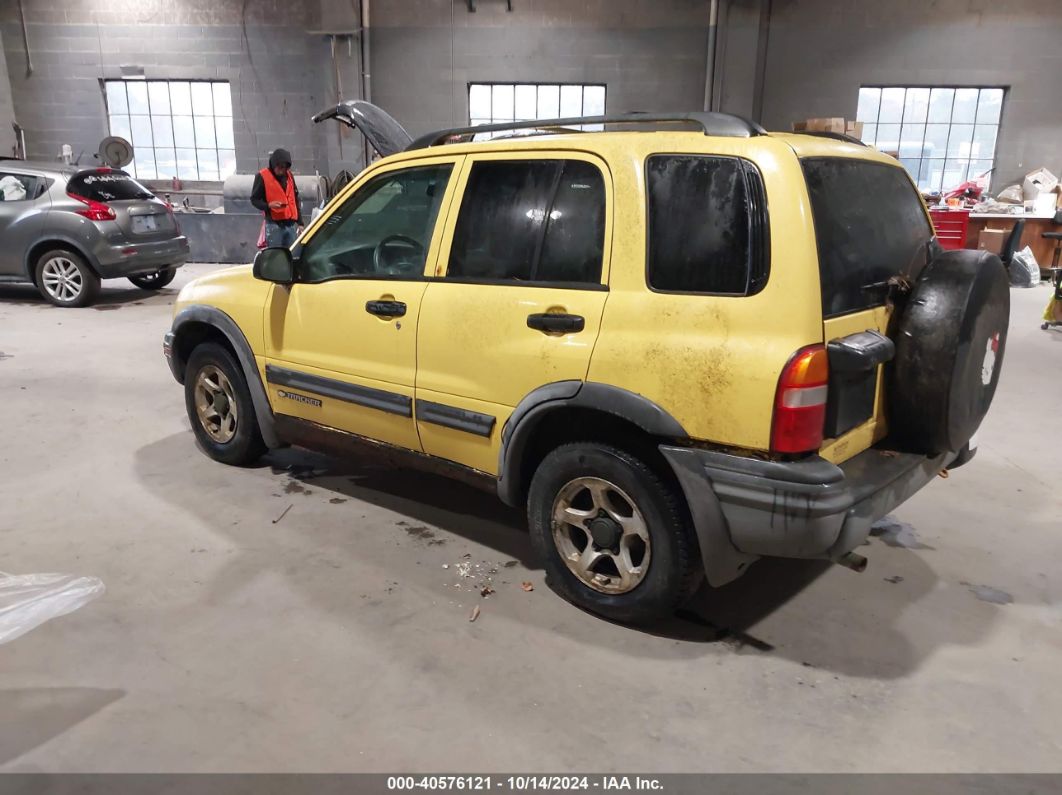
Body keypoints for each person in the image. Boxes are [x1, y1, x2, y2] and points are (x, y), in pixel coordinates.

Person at [251, 148, 303, 248]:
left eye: (284, 168)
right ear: (274, 164)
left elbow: (295, 198)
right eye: (279, 167)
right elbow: (254, 199)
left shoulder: (289, 176)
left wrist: (300, 223)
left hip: (291, 226)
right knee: (275, 256)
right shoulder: (262, 176)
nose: (281, 170)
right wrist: (268, 205)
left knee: (291, 255)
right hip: (274, 226)